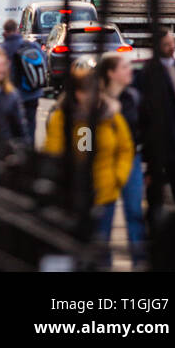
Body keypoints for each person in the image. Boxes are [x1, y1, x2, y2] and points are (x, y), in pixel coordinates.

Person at [44, 64, 134, 265]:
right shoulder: (62, 118)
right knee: (77, 248)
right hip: (73, 193)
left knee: (101, 248)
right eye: (84, 92)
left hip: (104, 192)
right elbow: (53, 151)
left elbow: (125, 148)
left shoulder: (111, 116)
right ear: (75, 94)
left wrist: (118, 177)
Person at [137, 27, 175, 225]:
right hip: (158, 138)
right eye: (167, 44)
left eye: (173, 43)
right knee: (156, 187)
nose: (172, 47)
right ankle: (153, 223)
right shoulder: (151, 71)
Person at [100, 52, 146, 266]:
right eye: (125, 67)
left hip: (130, 160)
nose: (130, 71)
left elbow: (143, 130)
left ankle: (139, 260)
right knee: (102, 215)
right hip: (102, 162)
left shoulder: (133, 97)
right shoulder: (96, 101)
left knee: (134, 211)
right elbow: (84, 135)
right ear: (111, 73)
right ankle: (101, 262)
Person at [1, 17, 48, 145]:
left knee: (12, 127)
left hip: (11, 95)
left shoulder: (2, 49)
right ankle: (30, 151)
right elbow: (43, 60)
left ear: (4, 32)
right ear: (17, 30)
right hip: (32, 92)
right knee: (31, 123)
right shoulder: (30, 45)